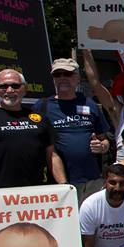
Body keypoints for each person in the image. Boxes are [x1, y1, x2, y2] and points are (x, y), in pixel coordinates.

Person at [0, 69, 66, 191]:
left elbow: (52, 155)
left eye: (15, 86)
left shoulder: (40, 118)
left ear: (24, 89)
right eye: (3, 86)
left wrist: (64, 185)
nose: (10, 90)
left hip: (37, 194)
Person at [39, 58, 111, 203]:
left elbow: (105, 140)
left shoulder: (89, 103)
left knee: (90, 223)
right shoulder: (42, 106)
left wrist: (102, 146)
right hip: (59, 183)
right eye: (57, 75)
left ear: (77, 77)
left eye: (67, 74)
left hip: (91, 181)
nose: (62, 78)